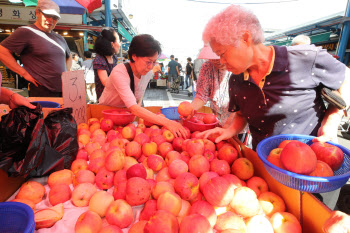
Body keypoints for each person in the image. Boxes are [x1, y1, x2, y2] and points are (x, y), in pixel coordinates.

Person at [200, 4, 350, 210]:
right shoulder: (236, 79)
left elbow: (346, 78)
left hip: (316, 170)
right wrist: (229, 130)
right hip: (269, 168)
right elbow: (242, 114)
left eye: (223, 53)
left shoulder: (305, 58)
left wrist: (332, 120)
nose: (221, 61)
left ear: (245, 38)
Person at [99, 34, 189, 138]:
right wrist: (167, 122)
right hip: (106, 117)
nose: (151, 67)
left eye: (154, 62)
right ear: (134, 56)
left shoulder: (147, 72)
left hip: (125, 117)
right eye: (148, 62)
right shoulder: (119, 73)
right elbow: (133, 108)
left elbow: (139, 95)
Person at [0, 0, 71, 97]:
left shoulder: (60, 38)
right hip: (41, 89)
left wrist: (66, 75)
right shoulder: (25, 32)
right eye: (47, 15)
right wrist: (23, 73)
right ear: (37, 13)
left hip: (64, 89)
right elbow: (2, 51)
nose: (50, 20)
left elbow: (69, 56)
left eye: (55, 17)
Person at [191, 45, 232, 127]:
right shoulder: (207, 67)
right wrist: (190, 110)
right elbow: (201, 95)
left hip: (237, 122)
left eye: (222, 55)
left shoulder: (241, 68)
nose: (218, 60)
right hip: (216, 119)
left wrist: (230, 126)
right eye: (213, 56)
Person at [93, 28, 121, 101]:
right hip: (105, 100)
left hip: (115, 97)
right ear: (112, 44)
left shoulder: (114, 58)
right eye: (118, 41)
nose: (120, 43)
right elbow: (106, 82)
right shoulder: (99, 60)